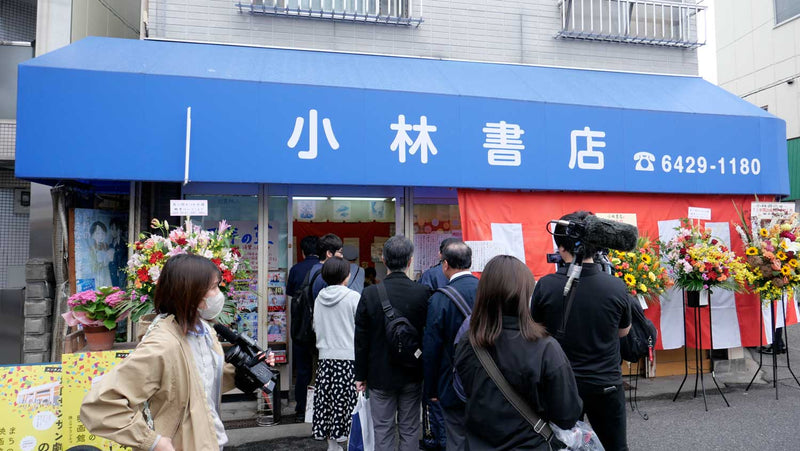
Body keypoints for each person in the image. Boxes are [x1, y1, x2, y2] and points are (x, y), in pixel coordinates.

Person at [80, 254, 250, 450]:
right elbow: (98, 405)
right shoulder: (163, 345)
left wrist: (247, 372)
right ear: (190, 292)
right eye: (213, 287)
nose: (219, 294)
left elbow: (198, 385)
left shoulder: (204, 331)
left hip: (210, 440)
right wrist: (152, 441)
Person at [454, 255, 583, 450]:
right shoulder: (545, 348)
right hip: (531, 443)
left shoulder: (467, 342)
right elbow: (567, 414)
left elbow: (463, 392)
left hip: (478, 443)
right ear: (525, 295)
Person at [532, 211, 632, 451]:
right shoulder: (616, 286)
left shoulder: (546, 286)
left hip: (561, 384)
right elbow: (624, 331)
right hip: (605, 383)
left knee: (563, 446)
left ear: (561, 248)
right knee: (615, 446)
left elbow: (535, 331)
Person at [355, 235, 431, 451]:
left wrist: (360, 375)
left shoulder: (369, 294)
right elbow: (429, 336)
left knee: (383, 430)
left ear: (383, 259)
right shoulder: (423, 293)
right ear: (410, 261)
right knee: (410, 429)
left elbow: (361, 339)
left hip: (379, 374)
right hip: (412, 372)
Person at [423, 240, 478, 450]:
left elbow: (431, 349)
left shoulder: (440, 299)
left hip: (451, 382)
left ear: (445, 264)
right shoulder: (487, 291)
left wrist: (431, 389)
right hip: (486, 380)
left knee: (454, 437)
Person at [312, 257, 361, 451]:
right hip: (348, 359)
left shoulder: (319, 298)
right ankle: (349, 444)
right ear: (346, 275)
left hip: (325, 359)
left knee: (328, 405)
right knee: (349, 407)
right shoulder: (353, 297)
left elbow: (315, 326)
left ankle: (333, 446)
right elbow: (362, 330)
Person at [287, 235, 320, 422]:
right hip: (321, 329)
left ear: (302, 251)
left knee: (302, 370)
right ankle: (319, 409)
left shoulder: (295, 270)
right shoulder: (324, 270)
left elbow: (291, 295)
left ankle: (301, 410)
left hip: (300, 328)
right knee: (321, 369)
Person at [87, 221, 112, 288]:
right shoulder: (92, 249)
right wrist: (102, 264)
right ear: (92, 235)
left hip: (106, 274)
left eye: (102, 233)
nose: (101, 236)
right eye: (97, 233)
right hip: (97, 275)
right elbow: (92, 266)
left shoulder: (107, 247)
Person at [108, 217, 127, 288]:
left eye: (116, 229)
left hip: (121, 270)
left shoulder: (123, 243)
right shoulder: (111, 243)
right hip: (113, 269)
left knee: (120, 287)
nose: (114, 231)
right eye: (112, 229)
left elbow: (122, 256)